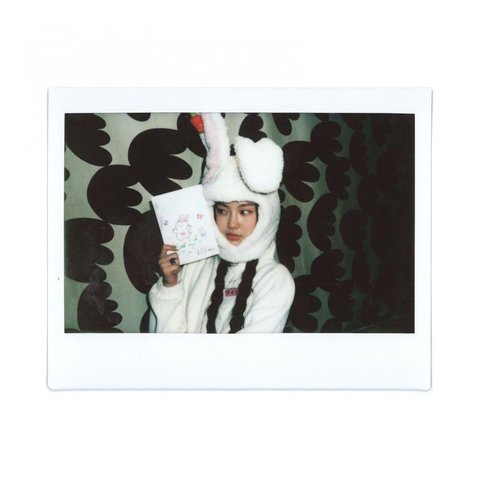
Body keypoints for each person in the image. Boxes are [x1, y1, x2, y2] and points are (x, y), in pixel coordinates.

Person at [148, 113, 295, 333]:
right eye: (223, 211)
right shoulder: (195, 266)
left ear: (265, 215)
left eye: (244, 212)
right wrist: (171, 284)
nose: (232, 224)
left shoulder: (275, 279)